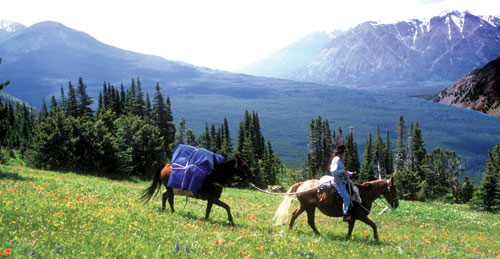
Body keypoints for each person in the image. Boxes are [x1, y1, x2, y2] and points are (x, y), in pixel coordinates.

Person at [330, 144, 356, 222]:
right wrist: (343, 171)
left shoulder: (340, 159)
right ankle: (345, 215)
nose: (345, 153)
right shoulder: (337, 159)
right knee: (346, 197)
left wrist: (351, 173)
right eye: (344, 151)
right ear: (342, 152)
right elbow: (333, 172)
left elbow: (342, 172)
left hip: (342, 180)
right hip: (337, 181)